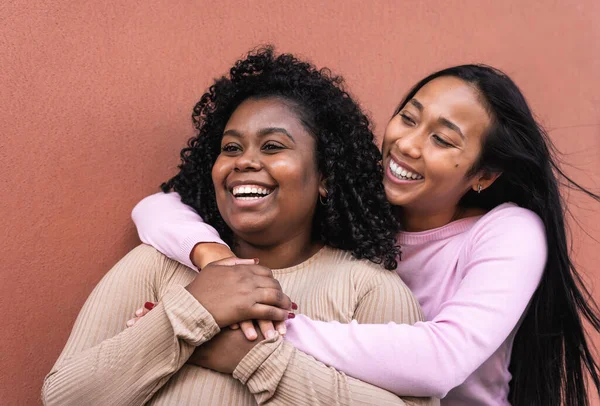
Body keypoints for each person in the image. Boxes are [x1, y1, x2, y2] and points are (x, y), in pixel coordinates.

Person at [131, 64, 600, 405]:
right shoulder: (359, 203)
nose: (408, 144)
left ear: (484, 173)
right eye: (409, 117)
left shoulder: (508, 231)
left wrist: (252, 333)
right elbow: (156, 207)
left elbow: (441, 362)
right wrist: (215, 260)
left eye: (443, 139)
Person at [42, 47, 435, 406]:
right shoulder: (155, 266)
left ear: (325, 176)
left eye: (272, 146)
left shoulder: (368, 290)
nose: (244, 161)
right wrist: (192, 312)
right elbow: (64, 399)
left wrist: (246, 356)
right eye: (231, 148)